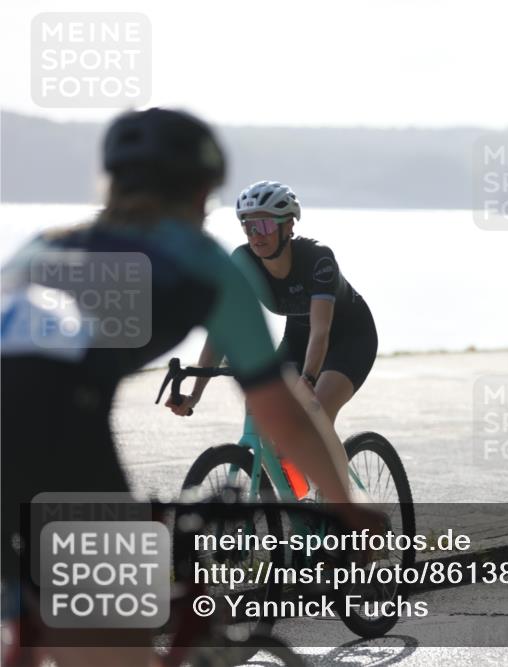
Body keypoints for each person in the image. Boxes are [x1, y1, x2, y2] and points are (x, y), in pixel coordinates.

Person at [0, 108, 376, 666]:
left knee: (31, 629)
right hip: (59, 434)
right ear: (204, 191)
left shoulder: (41, 244)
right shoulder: (202, 262)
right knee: (112, 652)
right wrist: (349, 507)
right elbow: (282, 411)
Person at [169, 181, 378, 491]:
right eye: (248, 226)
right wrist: (195, 394)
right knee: (262, 417)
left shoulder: (318, 258)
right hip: (298, 337)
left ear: (288, 225)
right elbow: (222, 332)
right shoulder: (243, 262)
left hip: (348, 336)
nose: (256, 234)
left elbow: (321, 331)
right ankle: (298, 505)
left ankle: (342, 503)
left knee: (316, 413)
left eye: (264, 224)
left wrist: (306, 380)